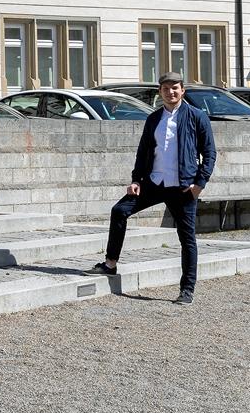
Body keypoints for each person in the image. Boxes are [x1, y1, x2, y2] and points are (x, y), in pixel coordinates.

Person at [87, 72, 216, 305]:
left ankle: (187, 290)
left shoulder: (197, 117)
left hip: (183, 187)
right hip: (154, 183)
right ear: (160, 92)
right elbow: (143, 152)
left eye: (175, 88)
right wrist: (136, 180)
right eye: (166, 88)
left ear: (183, 90)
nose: (171, 92)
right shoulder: (154, 119)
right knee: (119, 211)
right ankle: (110, 264)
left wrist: (199, 184)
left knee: (187, 239)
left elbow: (209, 153)